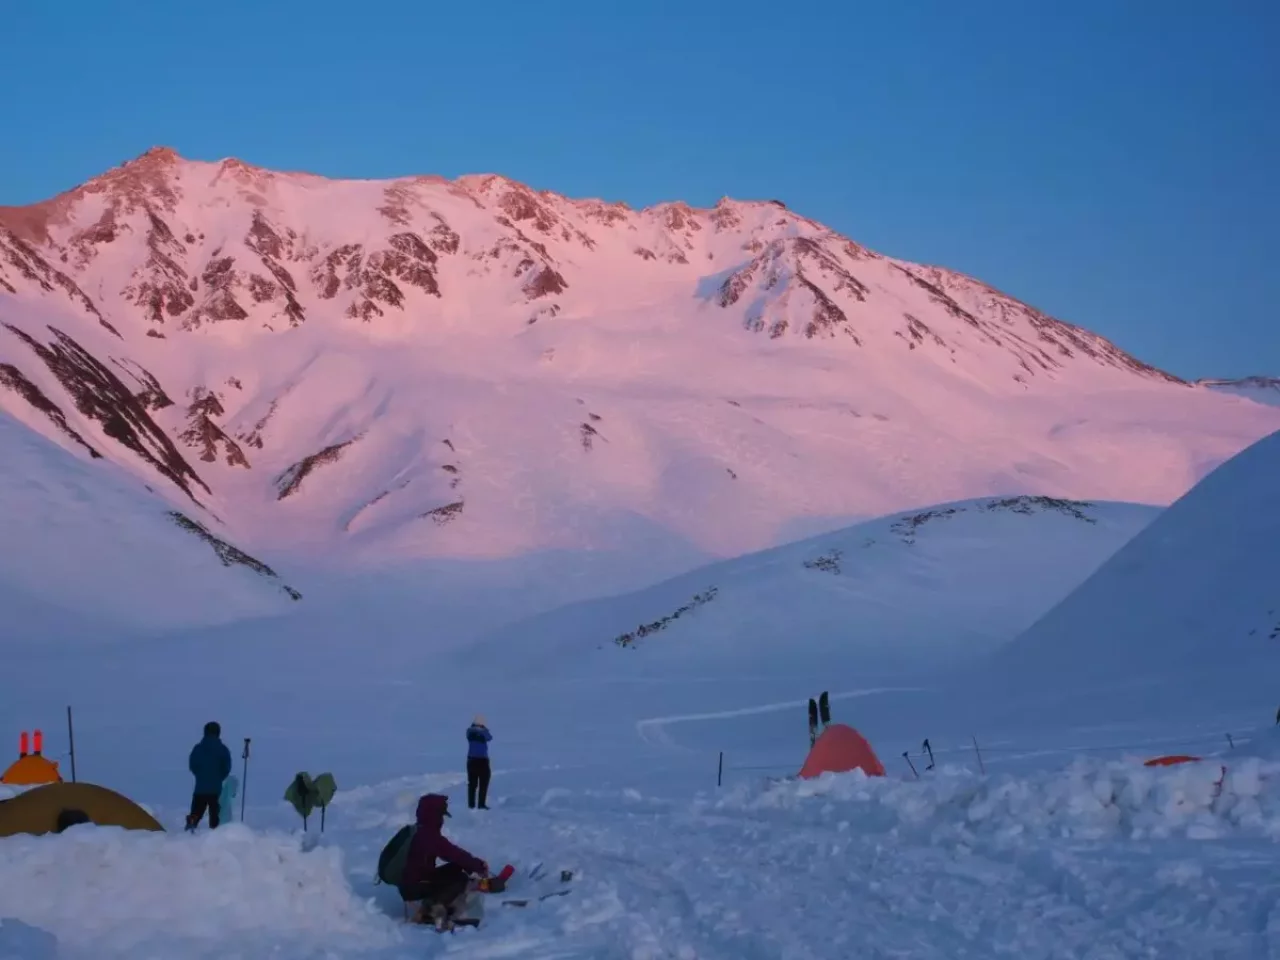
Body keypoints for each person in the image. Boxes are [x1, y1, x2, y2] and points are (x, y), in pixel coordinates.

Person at [400, 793, 489, 928]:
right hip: (415, 886)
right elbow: (454, 853)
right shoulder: (429, 836)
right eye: (441, 815)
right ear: (434, 815)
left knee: (455, 868)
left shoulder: (418, 830)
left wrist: (472, 865)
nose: (442, 819)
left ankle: (437, 902)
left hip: (410, 882)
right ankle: (431, 911)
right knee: (460, 879)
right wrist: (478, 865)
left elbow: (455, 856)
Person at [186, 721, 232, 830]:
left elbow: (192, 765)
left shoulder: (198, 748)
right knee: (215, 815)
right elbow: (226, 767)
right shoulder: (223, 749)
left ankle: (190, 827)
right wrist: (219, 777)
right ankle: (214, 834)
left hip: (200, 787)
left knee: (196, 811)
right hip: (216, 789)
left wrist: (200, 776)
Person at [466, 715, 493, 810]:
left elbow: (489, 738)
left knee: (474, 784)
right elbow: (489, 737)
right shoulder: (473, 731)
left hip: (473, 760)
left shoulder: (470, 731)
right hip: (481, 760)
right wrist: (482, 729)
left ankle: (473, 805)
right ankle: (479, 804)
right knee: (480, 783)